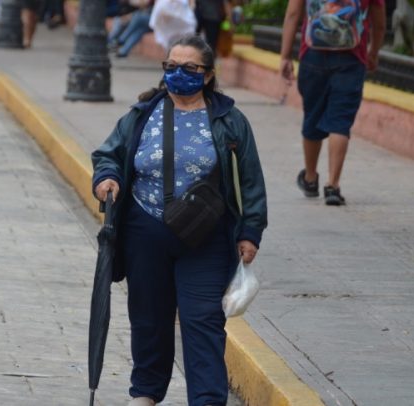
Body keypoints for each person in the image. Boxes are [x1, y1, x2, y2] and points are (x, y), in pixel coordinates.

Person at [91, 34, 267, 406]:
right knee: (149, 318)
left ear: (207, 75)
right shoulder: (142, 114)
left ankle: (206, 399)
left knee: (202, 320)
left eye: (189, 68)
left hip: (206, 236)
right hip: (145, 232)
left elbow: (250, 177)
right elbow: (109, 154)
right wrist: (107, 179)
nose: (178, 74)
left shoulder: (229, 120)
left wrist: (251, 230)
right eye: (171, 67)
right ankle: (145, 394)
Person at [279, 0, 386, 205]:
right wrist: (373, 53)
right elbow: (379, 24)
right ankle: (333, 186)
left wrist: (285, 56)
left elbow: (293, 14)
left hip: (312, 57)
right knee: (340, 122)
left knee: (312, 116)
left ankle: (310, 178)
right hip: (352, 58)